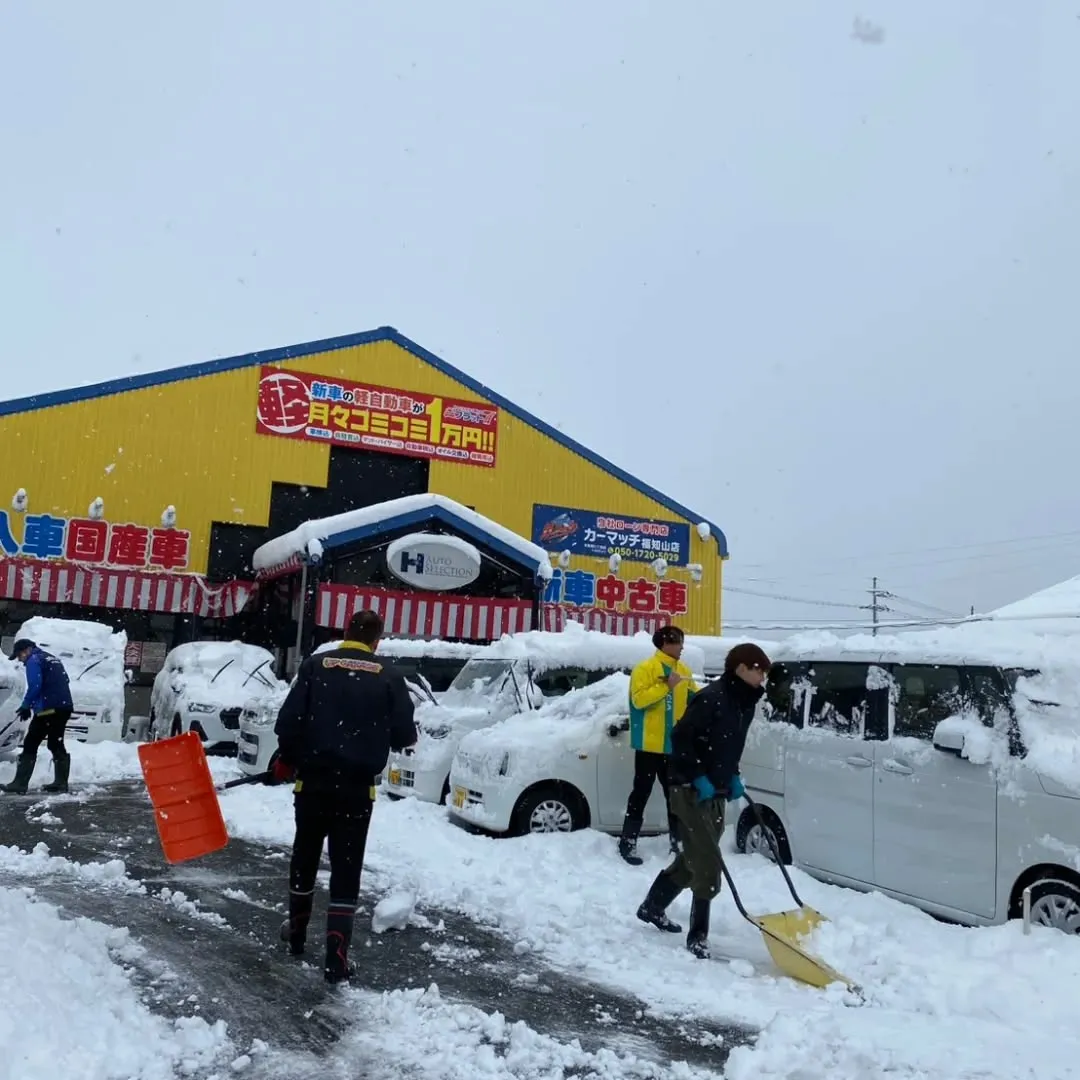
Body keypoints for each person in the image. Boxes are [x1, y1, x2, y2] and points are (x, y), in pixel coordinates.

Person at [271, 609, 418, 984]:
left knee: (304, 855)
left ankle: (298, 934)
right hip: (356, 790)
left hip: (312, 785)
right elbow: (404, 736)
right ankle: (336, 957)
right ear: (377, 640)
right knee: (346, 867)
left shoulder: (316, 666)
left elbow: (288, 723)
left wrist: (288, 758)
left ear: (344, 632)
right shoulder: (388, 675)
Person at [634, 641, 771, 959]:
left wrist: (732, 775)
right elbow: (680, 738)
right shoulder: (710, 699)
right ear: (740, 669)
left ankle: (652, 906)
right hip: (689, 789)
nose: (762, 677)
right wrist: (697, 776)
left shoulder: (744, 703)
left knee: (694, 857)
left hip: (717, 790)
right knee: (708, 861)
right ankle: (698, 936)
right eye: (758, 670)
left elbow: (728, 746)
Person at [617, 625, 700, 865]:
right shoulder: (645, 668)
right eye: (678, 642)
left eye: (682, 642)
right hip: (647, 745)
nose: (682, 647)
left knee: (675, 796)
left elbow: (694, 699)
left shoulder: (684, 670)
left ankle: (679, 844)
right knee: (640, 793)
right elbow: (638, 700)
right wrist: (666, 686)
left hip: (674, 746)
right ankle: (628, 843)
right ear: (664, 643)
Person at [2, 638, 74, 795]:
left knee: (30, 743)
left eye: (20, 656)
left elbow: (35, 685)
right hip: (64, 706)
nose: (21, 660)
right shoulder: (51, 658)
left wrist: (26, 705)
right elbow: (65, 679)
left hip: (49, 709)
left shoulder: (33, 660)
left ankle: (19, 784)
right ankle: (61, 783)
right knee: (55, 743)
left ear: (27, 650)